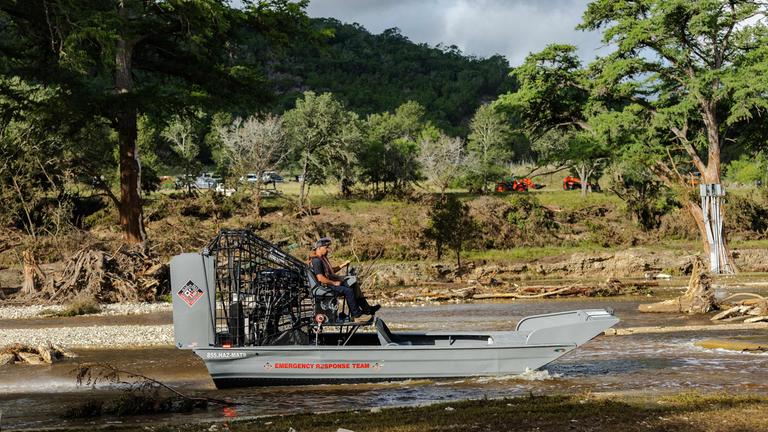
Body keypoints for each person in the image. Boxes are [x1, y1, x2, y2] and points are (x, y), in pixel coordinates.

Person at [309, 237, 380, 323]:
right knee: (348, 291)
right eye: (326, 247)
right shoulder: (316, 260)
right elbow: (320, 278)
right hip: (326, 285)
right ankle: (357, 316)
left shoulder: (322, 259)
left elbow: (331, 270)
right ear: (319, 248)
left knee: (353, 284)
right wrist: (334, 283)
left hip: (329, 283)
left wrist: (342, 265)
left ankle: (367, 309)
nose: (327, 250)